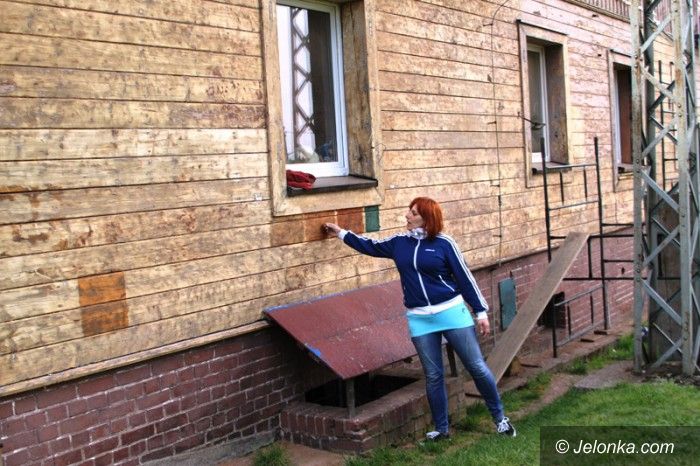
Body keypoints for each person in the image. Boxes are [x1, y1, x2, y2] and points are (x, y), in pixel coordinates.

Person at [324, 197, 516, 440]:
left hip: (451, 312)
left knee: (476, 366)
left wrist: (480, 312)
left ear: (427, 218)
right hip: (420, 319)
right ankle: (441, 429)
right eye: (409, 211)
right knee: (433, 375)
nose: (407, 215)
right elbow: (369, 246)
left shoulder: (445, 244)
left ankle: (500, 419)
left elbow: (464, 278)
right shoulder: (399, 243)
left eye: (413, 213)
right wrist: (341, 233)